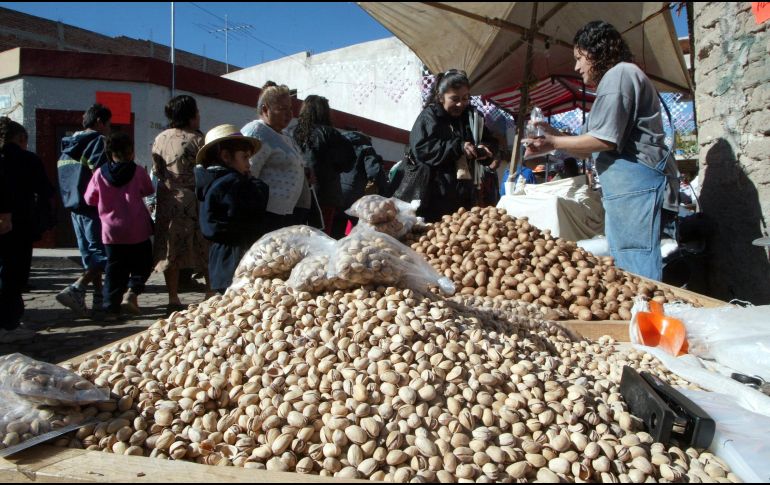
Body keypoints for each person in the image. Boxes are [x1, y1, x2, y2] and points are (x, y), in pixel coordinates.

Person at [523, 21, 680, 281]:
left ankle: (650, 320)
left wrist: (554, 143)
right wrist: (554, 135)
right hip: (627, 194)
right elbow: (587, 146)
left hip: (639, 191)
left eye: (579, 58)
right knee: (631, 269)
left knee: (642, 276)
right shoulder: (615, 81)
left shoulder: (620, 75)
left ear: (596, 51)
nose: (576, 67)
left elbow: (604, 140)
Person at [407, 70, 493, 222]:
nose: (461, 104)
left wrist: (486, 149)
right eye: (455, 99)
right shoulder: (430, 116)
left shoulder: (471, 117)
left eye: (465, 98)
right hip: (435, 195)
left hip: (465, 194)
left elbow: (489, 140)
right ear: (441, 97)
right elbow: (423, 149)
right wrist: (458, 147)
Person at [152, 95, 212, 313]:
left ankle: (173, 298)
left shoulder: (160, 139)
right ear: (190, 115)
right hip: (194, 200)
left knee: (171, 248)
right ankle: (210, 291)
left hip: (168, 200)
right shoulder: (198, 140)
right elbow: (208, 170)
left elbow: (157, 171)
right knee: (204, 244)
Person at [84, 132, 154, 320]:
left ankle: (110, 310)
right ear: (131, 152)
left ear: (109, 153)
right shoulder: (138, 171)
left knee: (114, 272)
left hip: (111, 233)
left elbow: (89, 199)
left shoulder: (99, 173)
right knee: (144, 264)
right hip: (137, 229)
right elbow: (148, 189)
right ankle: (132, 292)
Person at [0, 118, 55, 342]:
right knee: (12, 274)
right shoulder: (26, 160)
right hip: (17, 226)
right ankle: (8, 325)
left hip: (12, 223)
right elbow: (45, 190)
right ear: (21, 139)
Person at [196, 124, 268, 294]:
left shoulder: (210, 182)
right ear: (226, 156)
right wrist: (256, 185)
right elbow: (251, 211)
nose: (249, 164)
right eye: (245, 158)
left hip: (219, 258)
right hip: (236, 256)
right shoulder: (234, 183)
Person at [55, 103, 111, 317]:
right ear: (99, 122)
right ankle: (77, 287)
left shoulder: (68, 145)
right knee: (102, 256)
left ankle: (98, 299)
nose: (108, 128)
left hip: (74, 207)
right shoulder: (96, 142)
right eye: (108, 123)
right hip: (93, 208)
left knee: (90, 255)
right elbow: (101, 175)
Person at [241, 82, 306, 233]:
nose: (289, 114)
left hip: (284, 212)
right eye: (282, 109)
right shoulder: (257, 132)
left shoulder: (284, 135)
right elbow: (248, 172)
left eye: (290, 108)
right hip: (265, 214)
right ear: (265, 109)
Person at [293, 95, 356, 236]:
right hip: (325, 193)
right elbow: (348, 163)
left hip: (295, 193)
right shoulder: (331, 134)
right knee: (322, 236)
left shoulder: (291, 132)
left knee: (296, 236)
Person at [332, 130, 385, 237]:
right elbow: (374, 171)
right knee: (358, 229)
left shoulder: (338, 144)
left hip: (335, 189)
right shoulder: (366, 148)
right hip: (353, 194)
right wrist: (385, 190)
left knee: (335, 226)